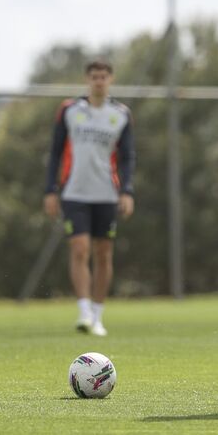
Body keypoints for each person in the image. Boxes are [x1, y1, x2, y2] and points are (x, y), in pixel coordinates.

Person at [44, 60, 136, 337]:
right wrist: (50, 190)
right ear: (87, 79)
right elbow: (56, 152)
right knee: (80, 248)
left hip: (107, 194)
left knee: (103, 254)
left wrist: (127, 191)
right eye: (94, 76)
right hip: (74, 192)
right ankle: (83, 311)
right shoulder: (70, 110)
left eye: (103, 77)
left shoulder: (120, 114)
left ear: (111, 79)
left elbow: (128, 156)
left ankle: (97, 315)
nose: (99, 81)